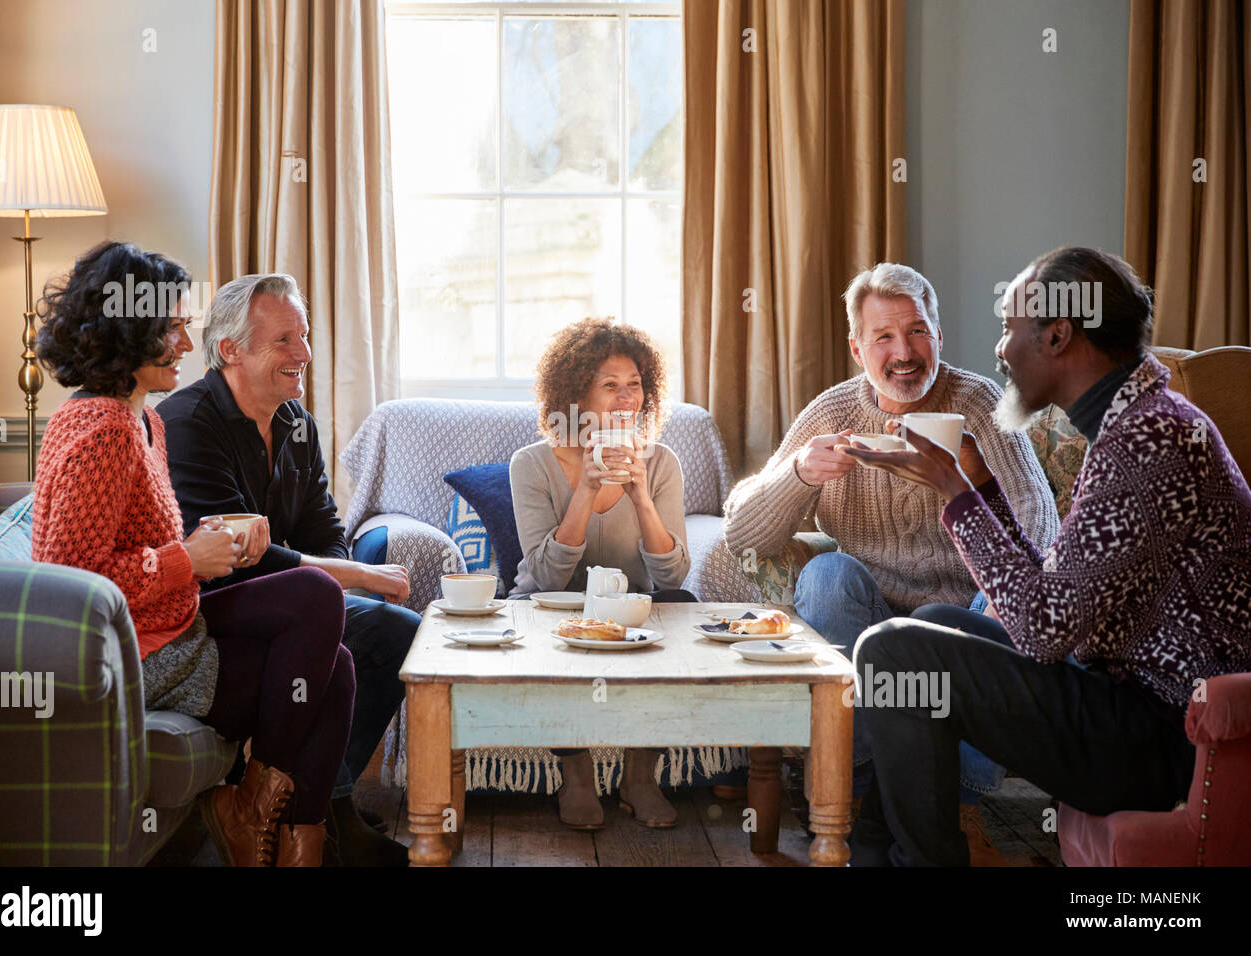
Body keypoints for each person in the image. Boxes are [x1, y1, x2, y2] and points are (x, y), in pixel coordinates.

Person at [842, 246, 1251, 866]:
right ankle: (873, 854)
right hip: (1126, 697)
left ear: (1059, 335)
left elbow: (1042, 629)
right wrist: (978, 485)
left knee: (891, 649)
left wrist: (955, 494)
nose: (1001, 350)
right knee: (934, 624)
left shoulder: (1148, 441)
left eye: (1011, 328)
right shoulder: (1136, 423)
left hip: (1164, 734)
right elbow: (1058, 591)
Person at [722, 262, 1060, 863]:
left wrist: (978, 483)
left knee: (972, 609)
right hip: (869, 620)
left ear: (938, 334)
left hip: (960, 618)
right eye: (883, 336)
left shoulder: (981, 403)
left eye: (917, 331)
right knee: (827, 578)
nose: (903, 352)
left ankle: (953, 804)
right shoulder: (833, 413)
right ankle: (860, 791)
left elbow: (1042, 524)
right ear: (857, 348)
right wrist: (799, 475)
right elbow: (743, 531)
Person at [32, 241, 354, 866]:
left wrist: (214, 534)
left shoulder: (143, 423)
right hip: (134, 657)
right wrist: (188, 559)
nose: (186, 343)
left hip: (170, 627)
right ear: (129, 331)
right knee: (317, 599)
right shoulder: (101, 432)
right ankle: (252, 812)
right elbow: (72, 585)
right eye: (174, 327)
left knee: (334, 659)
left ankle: (289, 843)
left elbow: (145, 545)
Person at [157, 273, 418, 867]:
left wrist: (345, 582)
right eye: (283, 341)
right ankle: (308, 817)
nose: (302, 353)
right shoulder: (186, 424)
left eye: (303, 336)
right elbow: (232, 558)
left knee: (394, 633)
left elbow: (324, 529)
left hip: (300, 607)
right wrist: (360, 580)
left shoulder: (297, 423)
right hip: (216, 607)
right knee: (338, 607)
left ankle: (325, 805)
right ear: (230, 350)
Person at [510, 317, 695, 830]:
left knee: (685, 607)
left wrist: (640, 497)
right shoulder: (531, 464)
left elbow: (673, 575)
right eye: (609, 385)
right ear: (574, 396)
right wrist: (586, 493)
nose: (625, 398)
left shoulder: (661, 464)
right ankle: (576, 773)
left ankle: (640, 775)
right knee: (525, 615)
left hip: (630, 604)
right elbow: (544, 577)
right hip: (552, 606)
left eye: (634, 385)